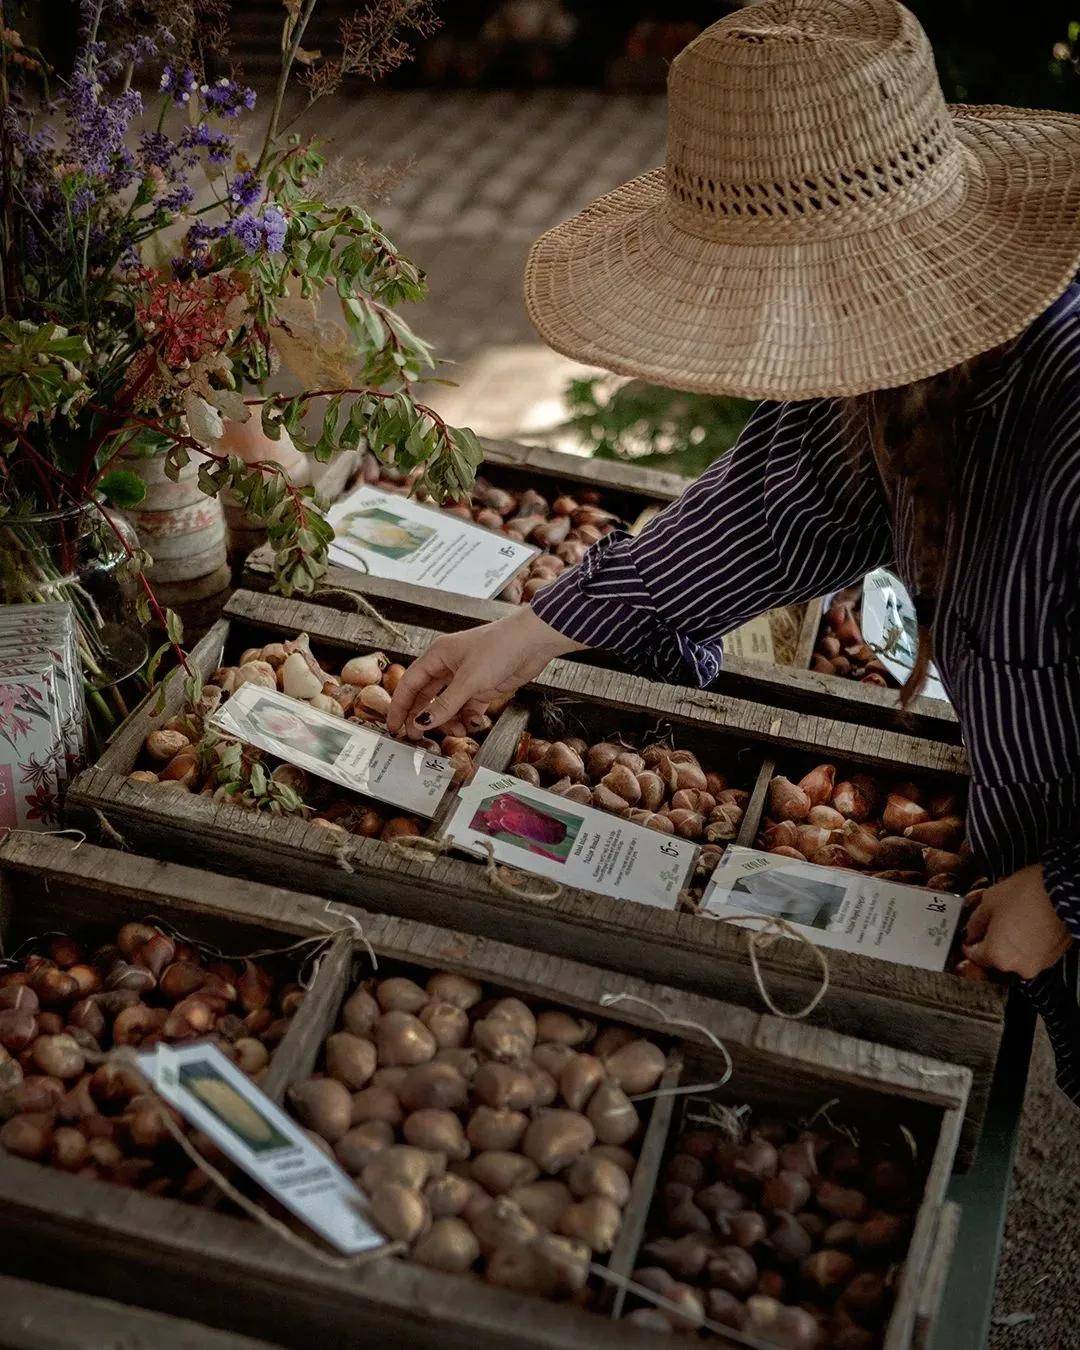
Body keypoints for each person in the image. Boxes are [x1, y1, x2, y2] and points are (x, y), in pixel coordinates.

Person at [388, 0, 1080, 1097]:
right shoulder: (897, 372)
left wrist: (1066, 891)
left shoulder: (1069, 416)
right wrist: (531, 632)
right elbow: (767, 511)